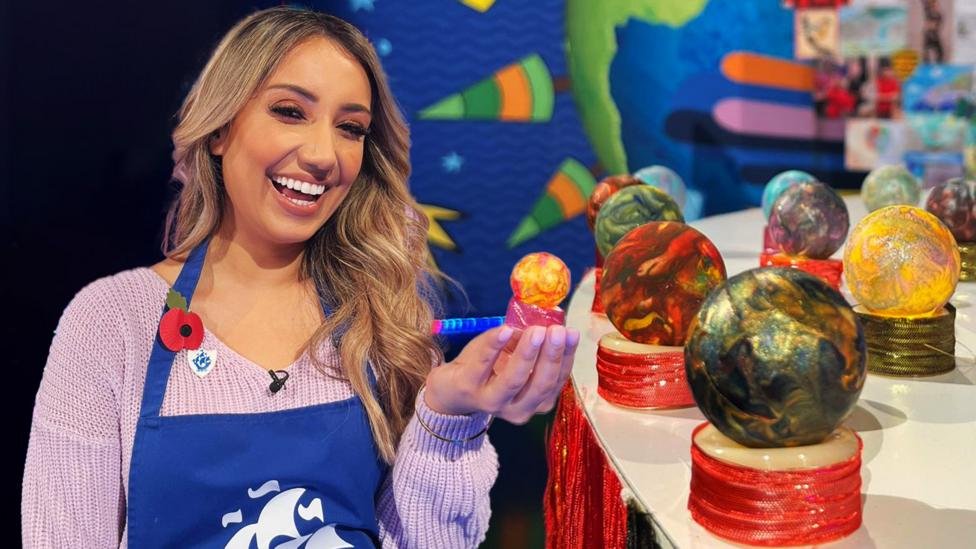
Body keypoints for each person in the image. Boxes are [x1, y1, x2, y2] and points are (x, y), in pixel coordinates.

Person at [21, 7, 580, 548]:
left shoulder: (381, 319)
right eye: (290, 111)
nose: (323, 154)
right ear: (220, 129)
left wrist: (449, 416)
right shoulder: (112, 320)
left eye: (351, 128)